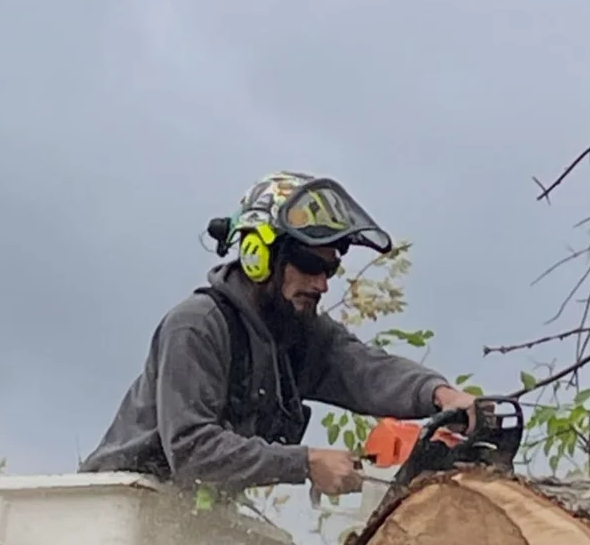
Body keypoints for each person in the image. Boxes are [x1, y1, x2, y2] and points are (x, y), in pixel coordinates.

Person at [80, 171, 474, 499]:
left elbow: (362, 368)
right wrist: (305, 463)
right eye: (307, 265)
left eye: (329, 271)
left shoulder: (294, 333)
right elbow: (191, 447)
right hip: (115, 509)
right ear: (258, 255)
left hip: (184, 514)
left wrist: (440, 395)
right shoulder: (198, 327)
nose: (321, 285)